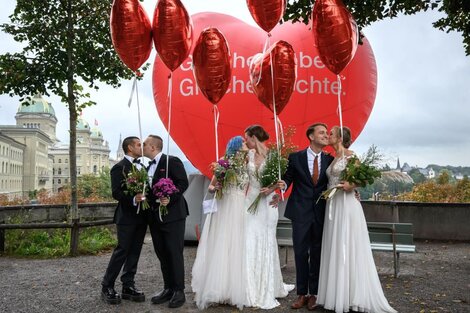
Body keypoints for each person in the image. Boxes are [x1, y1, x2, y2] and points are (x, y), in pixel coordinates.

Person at [317, 126, 397, 313]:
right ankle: (336, 293)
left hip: (346, 204)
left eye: (332, 134)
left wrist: (351, 184)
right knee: (335, 245)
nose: (328, 136)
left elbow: (362, 179)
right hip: (332, 205)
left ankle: (351, 295)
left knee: (347, 245)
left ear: (340, 138)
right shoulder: (334, 158)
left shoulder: (351, 156)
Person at [279, 123, 334, 310]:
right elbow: (288, 178)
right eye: (322, 132)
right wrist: (283, 185)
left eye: (327, 133)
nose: (326, 135)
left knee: (317, 253)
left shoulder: (330, 159)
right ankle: (302, 294)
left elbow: (335, 181)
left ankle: (314, 294)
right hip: (300, 212)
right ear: (311, 136)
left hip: (321, 212)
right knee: (301, 253)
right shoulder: (295, 157)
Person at [191, 136, 249, 310]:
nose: (247, 144)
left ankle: (233, 288)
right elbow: (211, 186)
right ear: (237, 146)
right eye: (244, 143)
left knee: (237, 245)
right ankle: (217, 288)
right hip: (225, 206)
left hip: (240, 207)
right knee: (223, 243)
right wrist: (215, 187)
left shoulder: (246, 164)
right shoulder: (224, 163)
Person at [243, 125, 294, 309]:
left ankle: (266, 286)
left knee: (265, 241)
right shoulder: (247, 156)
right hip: (249, 202)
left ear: (254, 137)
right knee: (248, 240)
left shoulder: (274, 157)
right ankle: (249, 286)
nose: (245, 141)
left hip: (267, 203)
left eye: (246, 137)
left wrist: (271, 189)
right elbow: (245, 180)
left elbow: (281, 182)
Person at [143, 135, 189, 309]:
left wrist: (170, 196)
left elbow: (183, 183)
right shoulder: (147, 166)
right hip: (154, 216)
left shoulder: (172, 161)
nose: (143, 146)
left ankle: (179, 291)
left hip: (173, 215)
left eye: (145, 144)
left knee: (174, 253)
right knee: (161, 252)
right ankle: (168, 288)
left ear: (153, 147)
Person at [101, 136, 147, 304]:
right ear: (129, 148)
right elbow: (116, 193)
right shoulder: (118, 168)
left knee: (135, 252)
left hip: (141, 218)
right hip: (126, 217)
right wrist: (134, 198)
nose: (141, 147)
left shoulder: (142, 167)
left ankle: (128, 285)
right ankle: (107, 286)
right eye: (138, 144)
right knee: (122, 251)